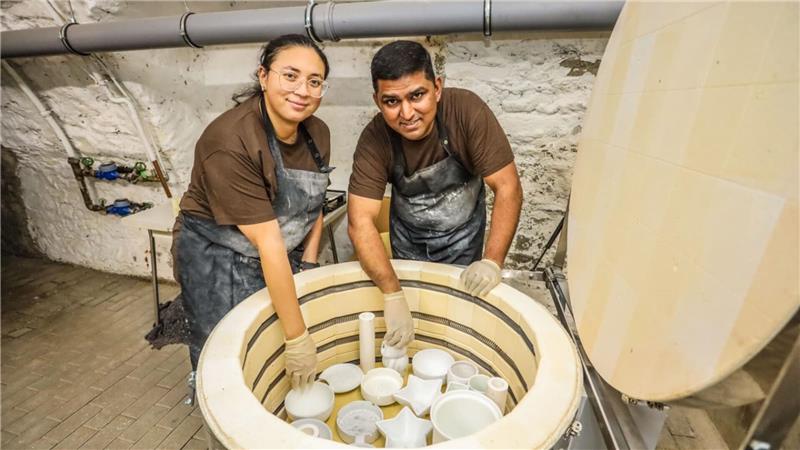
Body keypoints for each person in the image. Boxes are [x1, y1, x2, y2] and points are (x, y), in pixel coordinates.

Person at [173, 34, 332, 391]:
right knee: (227, 352)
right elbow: (268, 241)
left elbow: (314, 204)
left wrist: (307, 262)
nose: (302, 90)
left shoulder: (317, 133)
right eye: (289, 76)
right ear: (263, 76)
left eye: (314, 81)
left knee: (272, 341)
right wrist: (298, 339)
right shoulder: (230, 141)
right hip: (218, 258)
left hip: (275, 250)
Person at [347, 41, 523, 349]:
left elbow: (507, 187)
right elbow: (360, 220)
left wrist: (492, 261)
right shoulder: (375, 139)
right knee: (417, 327)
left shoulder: (466, 112)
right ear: (377, 100)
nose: (407, 113)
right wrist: (391, 292)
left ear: (437, 88)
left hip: (463, 243)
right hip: (408, 246)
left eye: (417, 96)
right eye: (391, 101)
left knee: (456, 328)